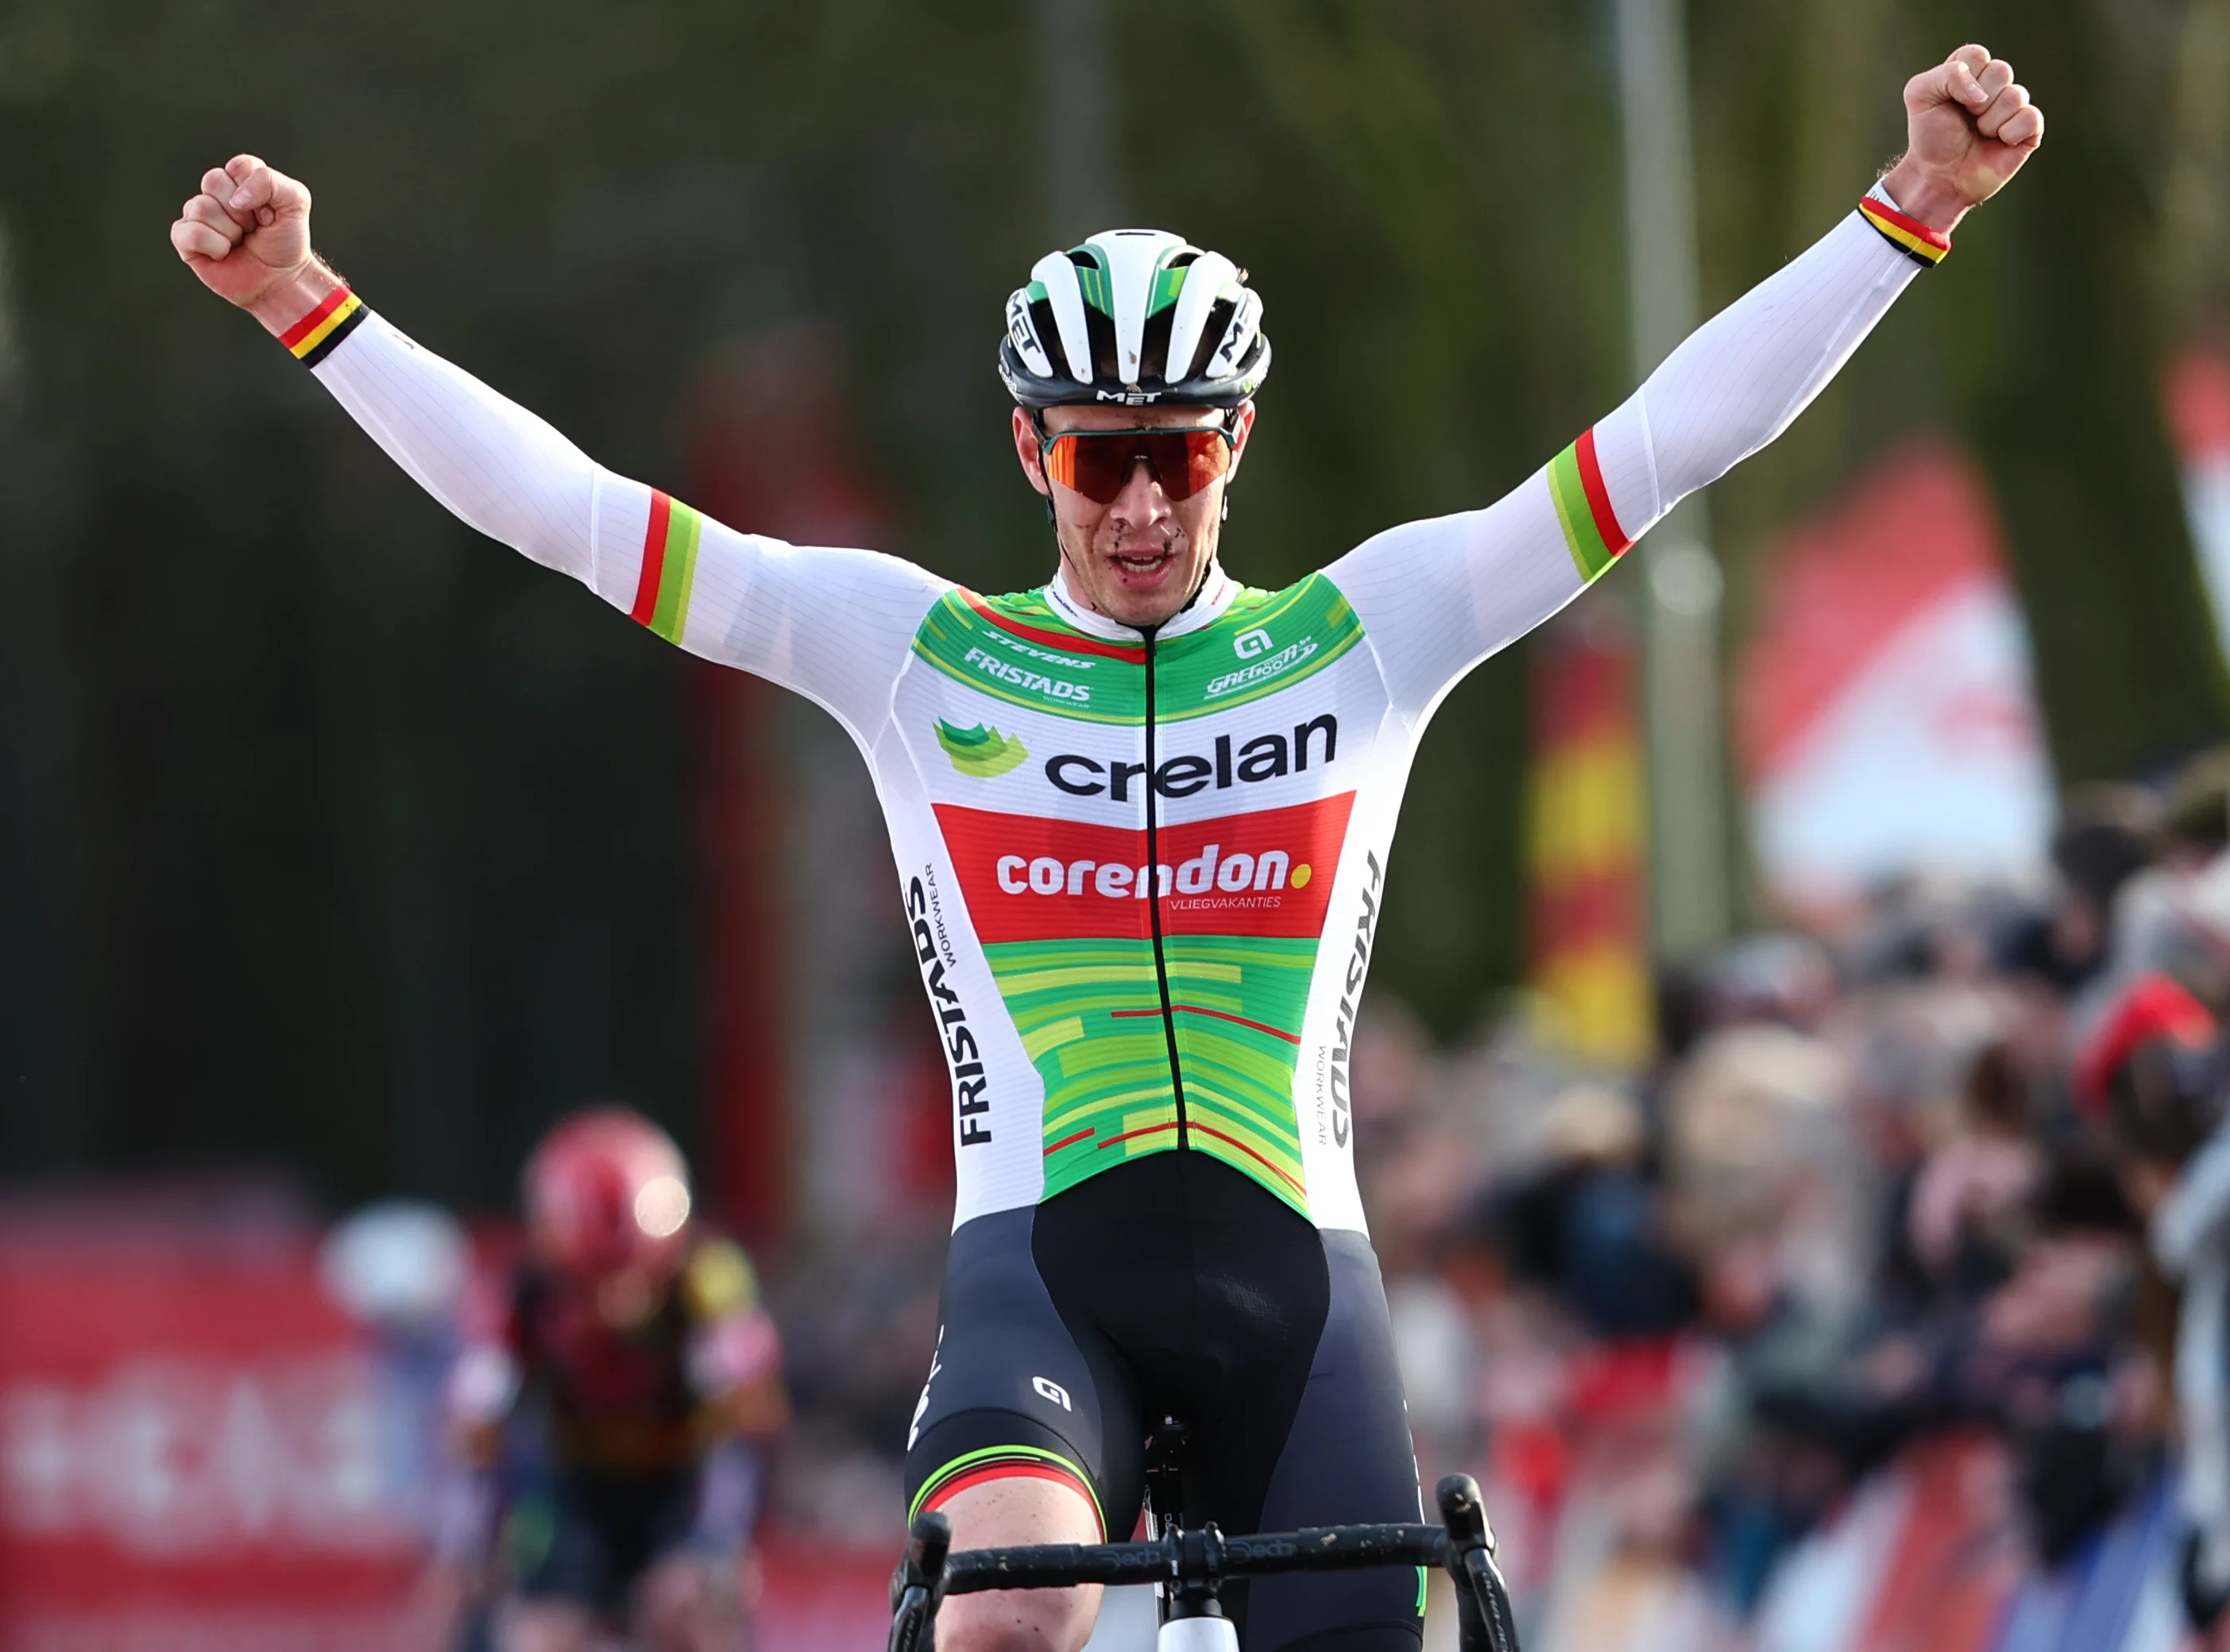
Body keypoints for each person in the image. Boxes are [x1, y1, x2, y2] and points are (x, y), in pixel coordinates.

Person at [170, 47, 2042, 1652]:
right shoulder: (908, 654)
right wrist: (307, 310)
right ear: (1027, 447)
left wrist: (1907, 206)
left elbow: (1664, 444)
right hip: (1039, 1268)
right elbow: (582, 517)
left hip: (1292, 1271)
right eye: (1094, 459)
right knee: (1009, 1608)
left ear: (1235, 441)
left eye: (1178, 452)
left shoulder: (1367, 628)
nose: (1140, 503)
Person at [441, 1109, 786, 1652]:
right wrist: (468, 1553)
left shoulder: (709, 1284)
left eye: (631, 1280)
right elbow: (474, 1434)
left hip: (681, 1494)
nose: (614, 1306)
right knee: (540, 1636)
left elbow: (748, 1426)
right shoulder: (515, 1300)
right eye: (591, 1285)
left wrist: (714, 1545)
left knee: (694, 1615)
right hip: (573, 1497)